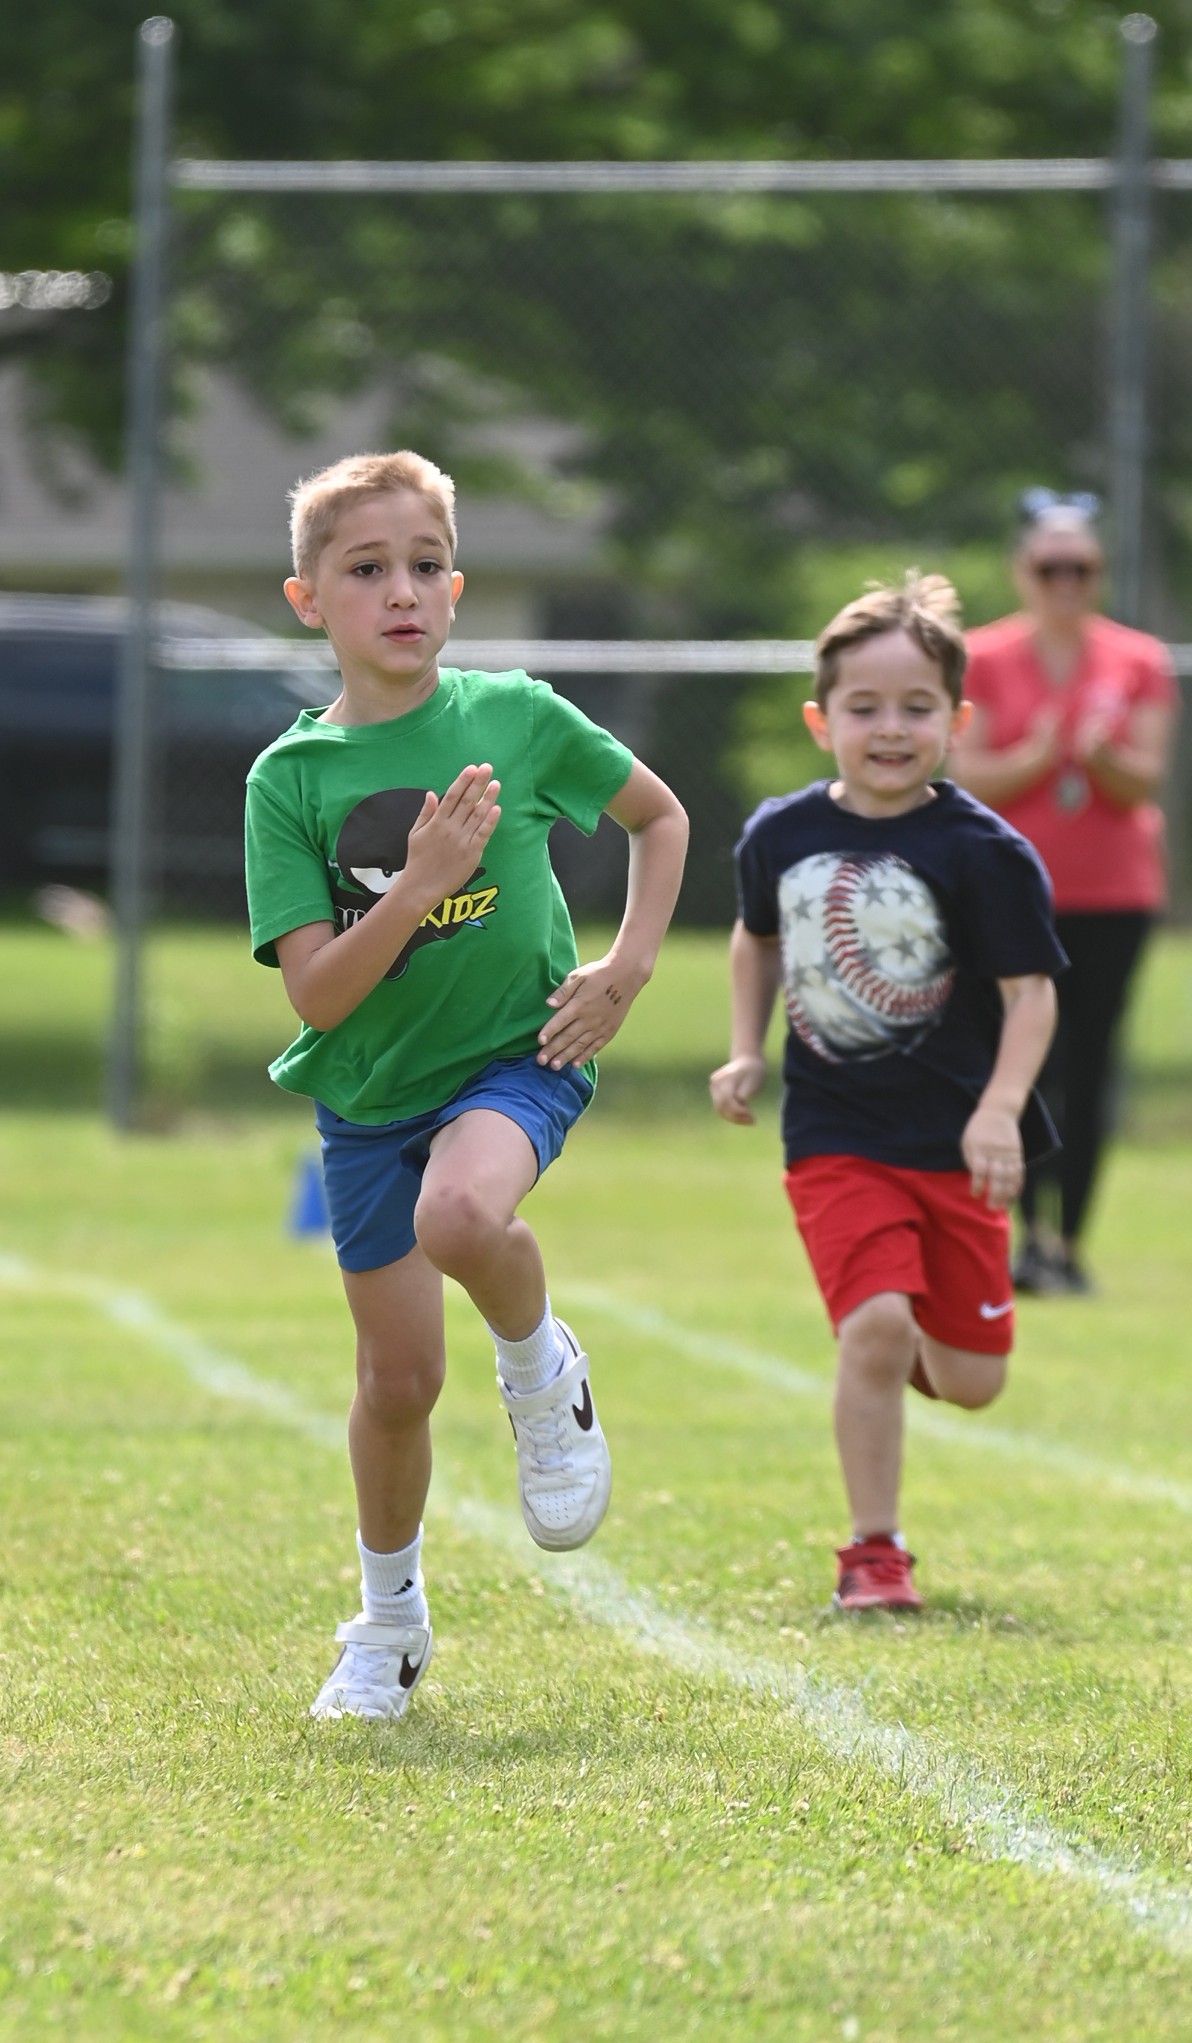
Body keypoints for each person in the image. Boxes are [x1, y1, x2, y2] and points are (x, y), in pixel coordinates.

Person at [244, 449, 689, 1717]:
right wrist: (425, 883)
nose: (402, 591)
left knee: (463, 1217)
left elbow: (661, 821)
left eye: (426, 566)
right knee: (394, 1384)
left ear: (457, 587)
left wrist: (629, 965)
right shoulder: (290, 781)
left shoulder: (518, 717)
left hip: (515, 1058)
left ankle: (544, 1371)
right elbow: (319, 995)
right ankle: (386, 1626)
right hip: (370, 1096)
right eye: (367, 568)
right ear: (307, 599)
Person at [709, 576, 1063, 1611]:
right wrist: (743, 1049)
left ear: (955, 723)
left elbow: (1029, 993)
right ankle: (874, 1549)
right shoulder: (777, 835)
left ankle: (917, 1318)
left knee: (971, 1380)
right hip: (834, 1134)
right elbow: (755, 937)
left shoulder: (983, 852)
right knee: (870, 1327)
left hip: (952, 1140)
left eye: (916, 708)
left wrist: (997, 1107)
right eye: (863, 707)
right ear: (822, 720)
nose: (890, 728)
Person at [956, 491, 1178, 1295]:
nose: (1063, 581)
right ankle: (1021, 1237)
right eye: (1048, 567)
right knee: (1014, 1067)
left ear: (1098, 574)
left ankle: (1070, 1242)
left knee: (1086, 1069)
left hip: (1112, 896)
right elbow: (968, 772)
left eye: (1078, 568)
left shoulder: (1137, 659)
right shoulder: (980, 657)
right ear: (1022, 570)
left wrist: (1102, 756)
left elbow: (1142, 778)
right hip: (1011, 894)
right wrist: (1038, 755)